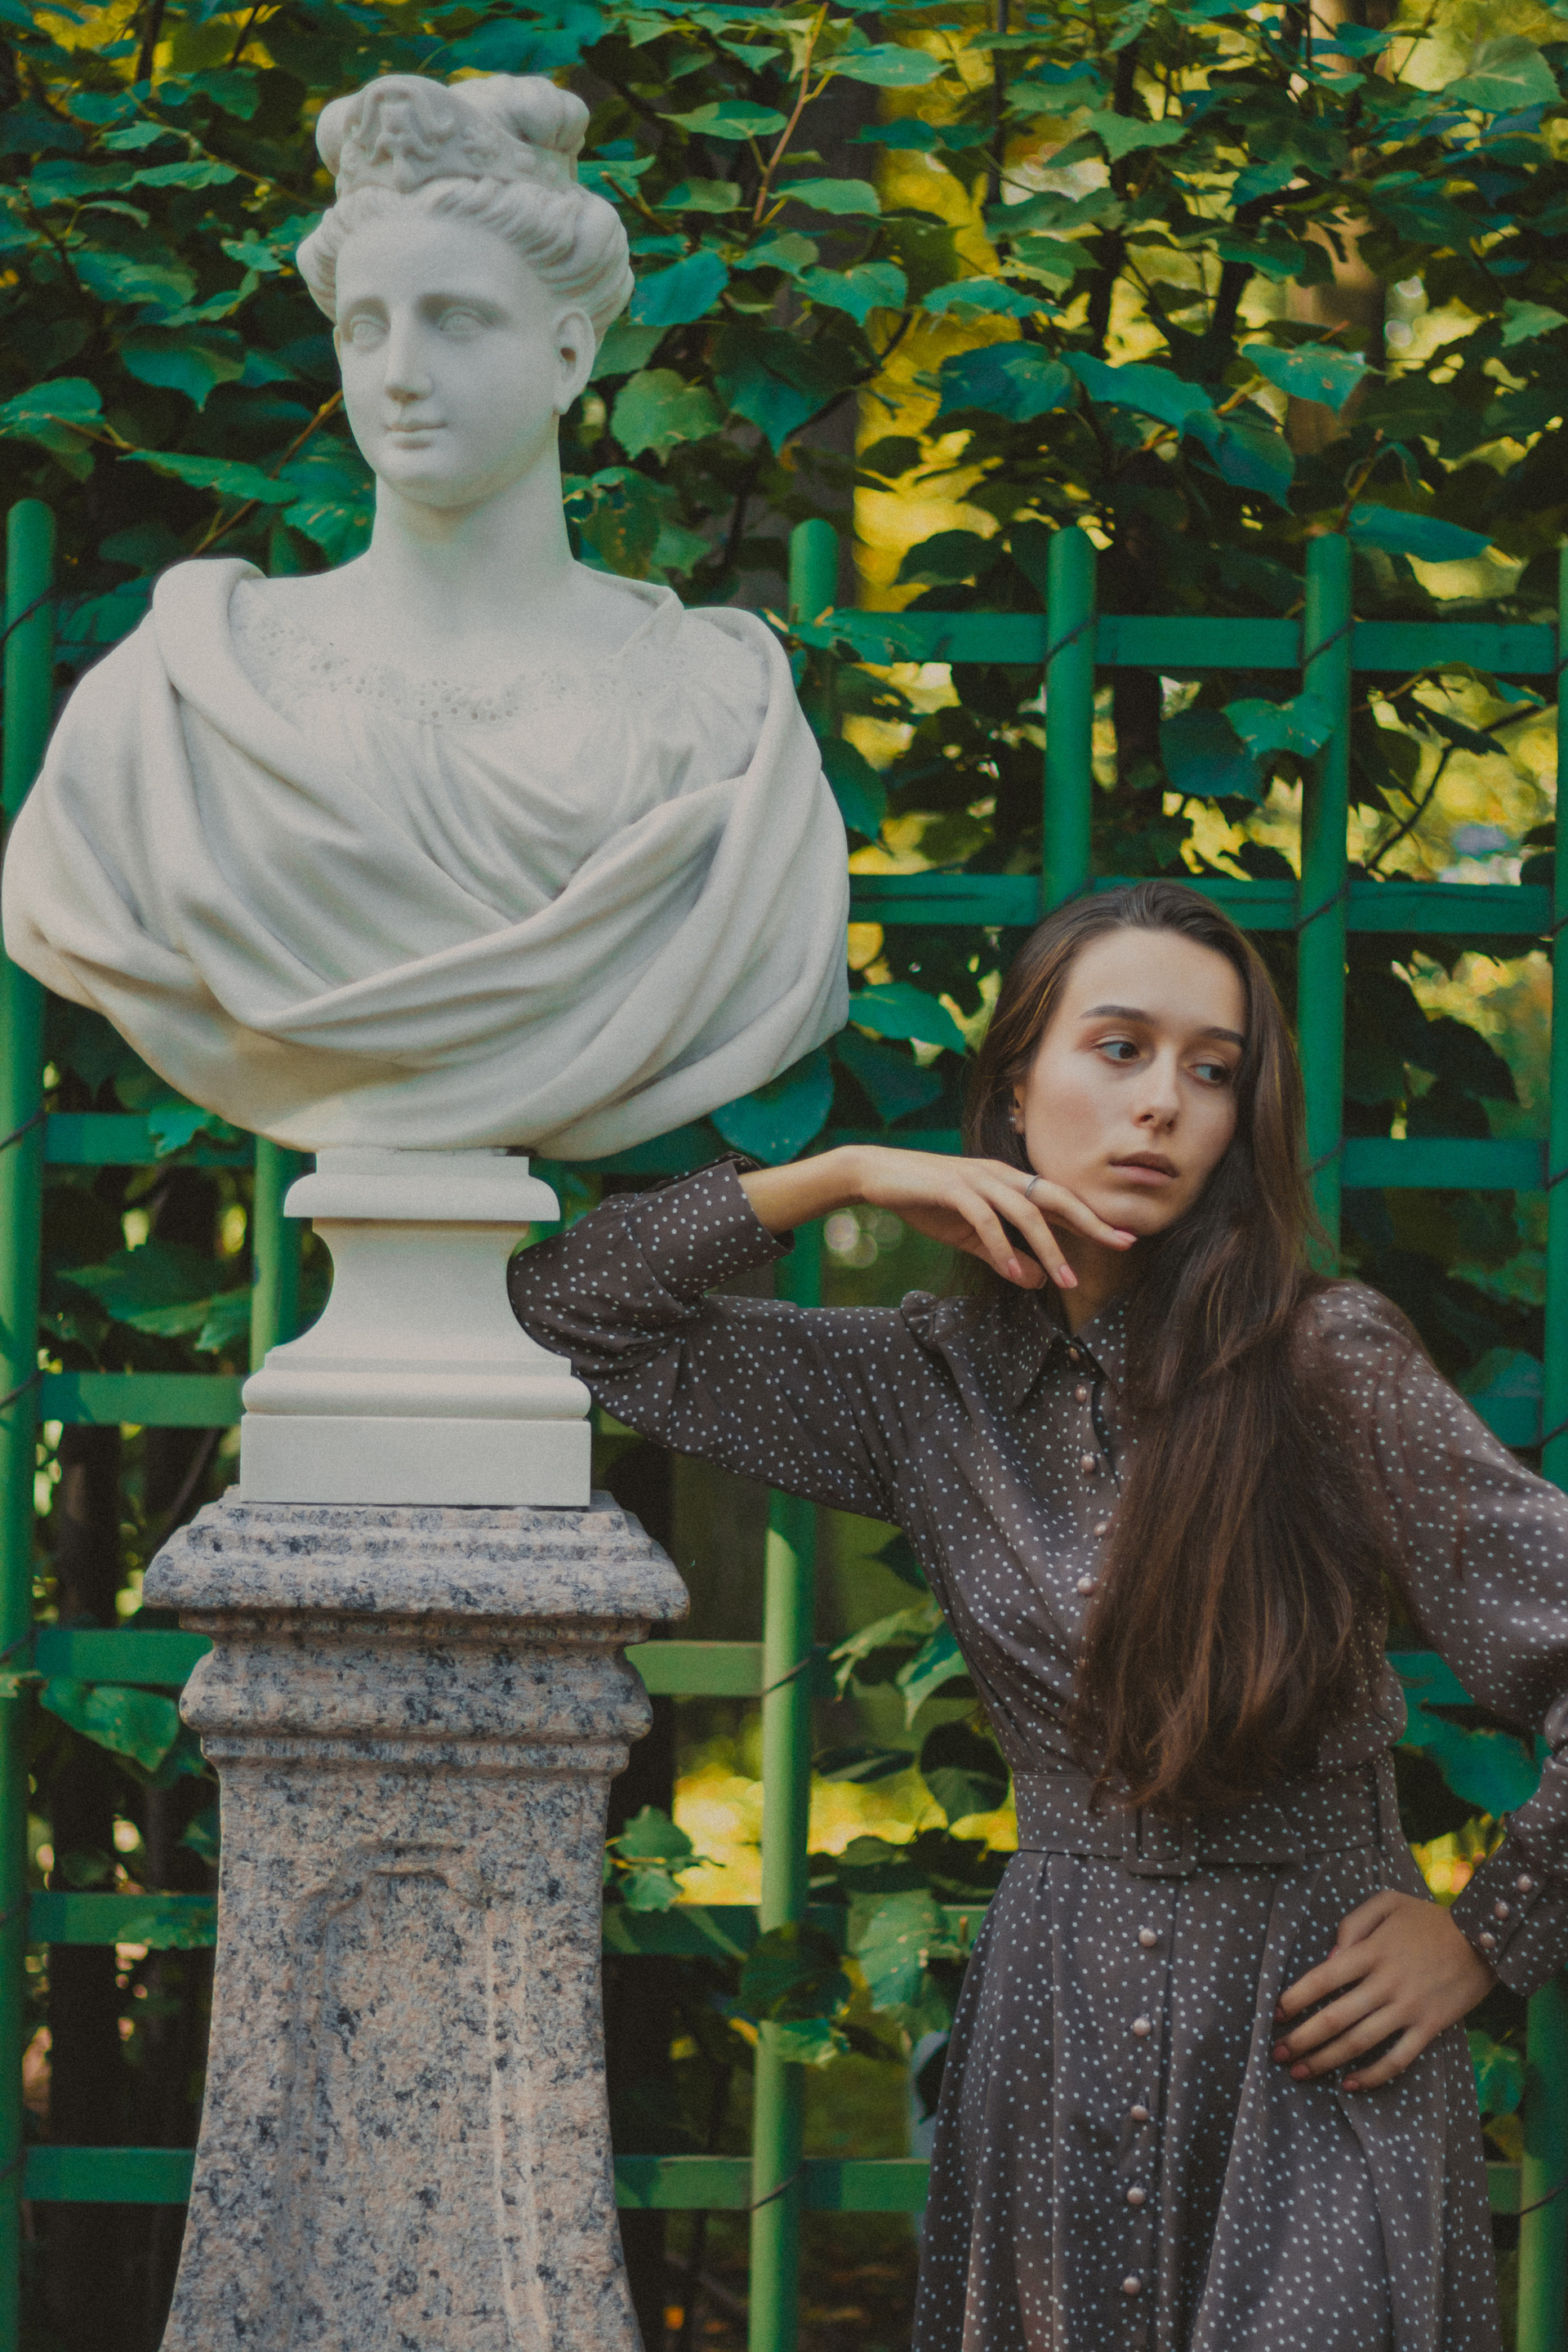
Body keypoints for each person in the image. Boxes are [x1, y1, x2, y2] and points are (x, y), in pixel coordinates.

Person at [509, 875, 1568, 2350]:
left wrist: (1487, 1935)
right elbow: (563, 1315)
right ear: (1015, 1088)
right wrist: (845, 1174)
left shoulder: (1327, 1361)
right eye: (1118, 1049)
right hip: (1056, 2033)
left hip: (1318, 2038)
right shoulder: (923, 1388)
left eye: (1214, 1071)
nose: (1164, 1105)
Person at [1, 71, 846, 1159]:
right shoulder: (179, 700)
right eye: (366, 328)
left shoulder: (722, 710)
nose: (400, 374)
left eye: (457, 321)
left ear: (570, 355)